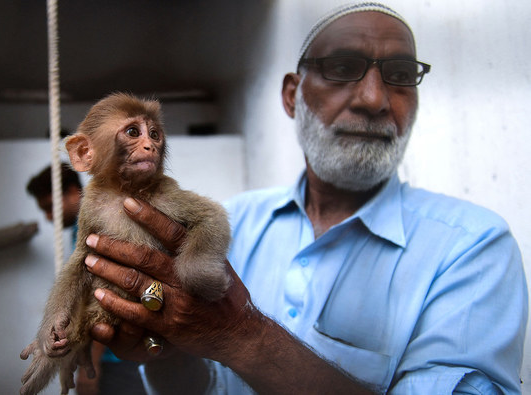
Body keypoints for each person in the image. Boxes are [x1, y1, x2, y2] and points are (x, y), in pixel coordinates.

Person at [79, 3, 528, 394]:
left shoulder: (474, 247)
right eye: (342, 67)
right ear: (293, 95)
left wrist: (242, 336)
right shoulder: (234, 221)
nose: (374, 99)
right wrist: (170, 352)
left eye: (400, 75)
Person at [26, 163, 146, 395]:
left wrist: (90, 369)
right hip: (111, 356)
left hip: (119, 359)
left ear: (72, 192)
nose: (49, 216)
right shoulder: (80, 231)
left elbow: (104, 299)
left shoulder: (99, 227)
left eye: (50, 207)